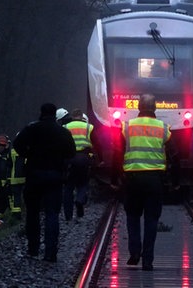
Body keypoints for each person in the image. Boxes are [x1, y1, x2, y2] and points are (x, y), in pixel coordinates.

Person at [114, 94, 180, 271]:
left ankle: (134, 252)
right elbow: (175, 155)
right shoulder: (163, 128)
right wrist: (176, 181)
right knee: (151, 219)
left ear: (139, 107)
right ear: (155, 108)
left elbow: (117, 154)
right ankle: (148, 260)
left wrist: (115, 178)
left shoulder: (127, 127)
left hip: (133, 179)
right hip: (154, 180)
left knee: (133, 216)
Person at [13, 103, 76, 262]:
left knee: (33, 213)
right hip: (55, 176)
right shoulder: (63, 132)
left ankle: (33, 249)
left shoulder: (32, 128)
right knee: (52, 214)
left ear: (41, 113)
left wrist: (28, 154)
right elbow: (71, 152)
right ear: (55, 115)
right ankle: (50, 252)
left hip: (34, 175)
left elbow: (17, 144)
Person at [62, 108, 101, 221]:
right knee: (83, 183)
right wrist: (100, 159)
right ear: (81, 116)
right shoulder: (89, 127)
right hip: (84, 158)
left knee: (68, 187)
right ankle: (80, 200)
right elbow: (97, 144)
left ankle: (68, 215)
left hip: (69, 158)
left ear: (73, 116)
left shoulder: (66, 127)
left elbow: (62, 144)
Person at [8, 138, 26, 221]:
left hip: (14, 178)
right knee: (27, 196)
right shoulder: (28, 151)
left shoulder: (12, 152)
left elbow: (8, 165)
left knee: (16, 197)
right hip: (26, 179)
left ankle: (16, 215)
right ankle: (27, 212)